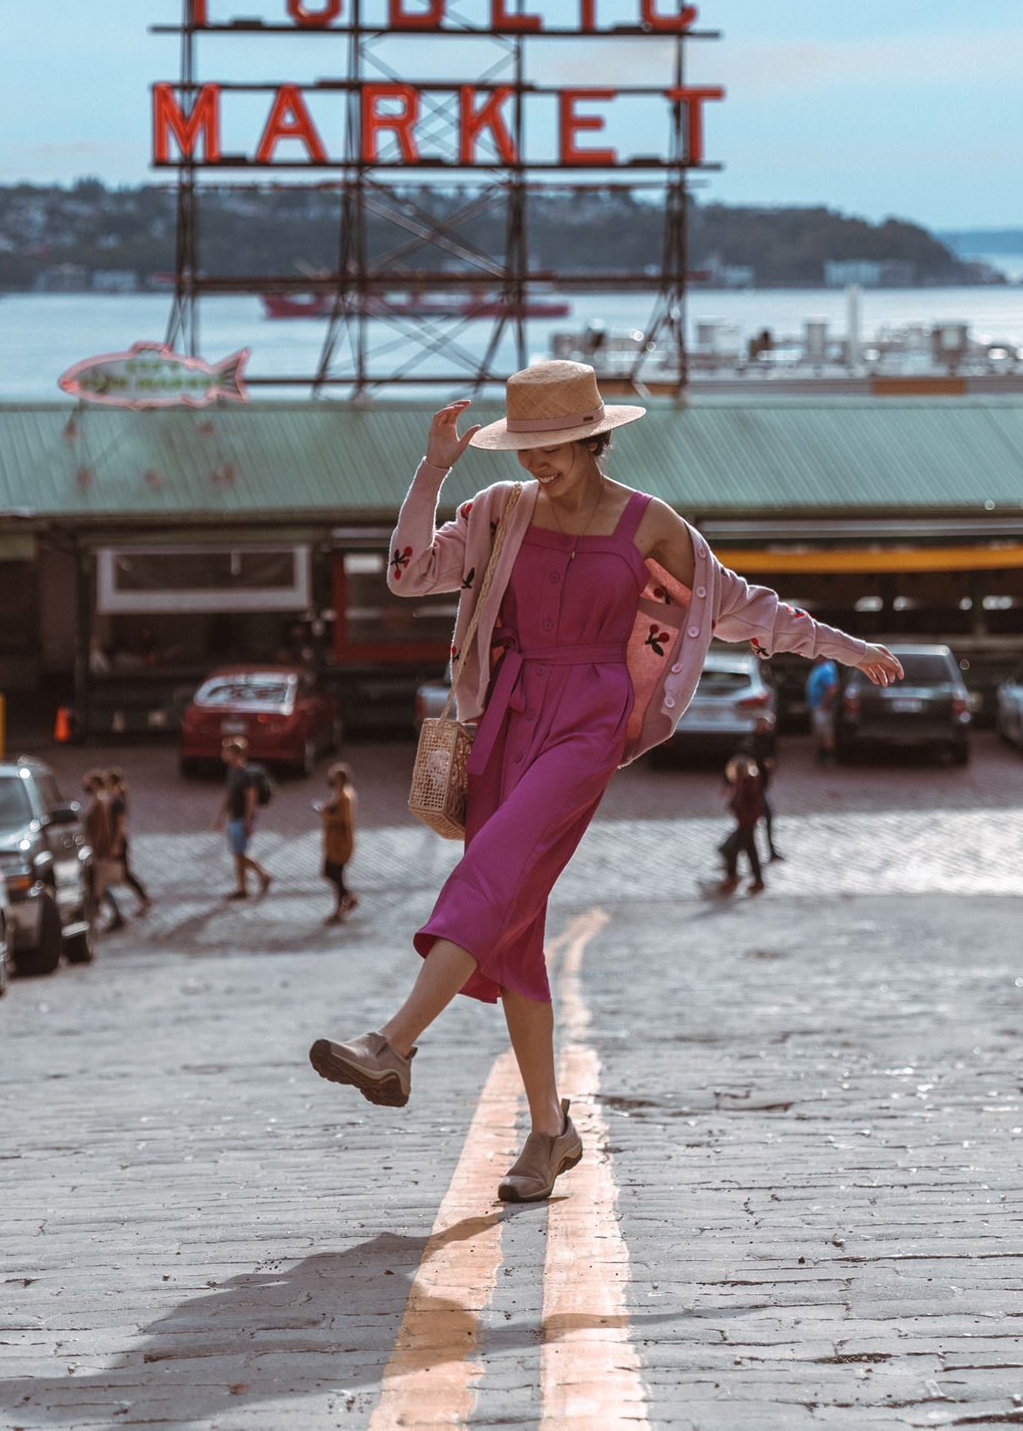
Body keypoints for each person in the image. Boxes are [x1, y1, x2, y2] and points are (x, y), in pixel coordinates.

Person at [309, 359, 901, 1203]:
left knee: (494, 868)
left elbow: (745, 609)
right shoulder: (500, 511)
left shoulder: (653, 526)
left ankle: (395, 1042)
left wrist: (849, 648)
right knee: (512, 927)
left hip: (589, 718)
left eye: (551, 445)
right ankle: (550, 1133)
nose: (535, 462)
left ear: (593, 439)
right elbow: (407, 571)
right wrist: (433, 468)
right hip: (504, 718)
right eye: (523, 446)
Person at [216, 738, 272, 899]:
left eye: (226, 751)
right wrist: (221, 815)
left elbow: (251, 799)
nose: (223, 754)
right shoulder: (232, 771)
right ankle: (243, 887)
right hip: (234, 817)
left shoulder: (246, 775)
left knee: (240, 853)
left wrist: (248, 821)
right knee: (238, 853)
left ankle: (262, 876)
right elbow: (228, 793)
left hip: (242, 819)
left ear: (235, 753)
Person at [717, 746, 767, 894]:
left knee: (729, 849)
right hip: (746, 821)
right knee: (751, 850)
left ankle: (732, 879)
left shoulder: (748, 779)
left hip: (746, 822)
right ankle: (757, 880)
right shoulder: (745, 778)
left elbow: (749, 802)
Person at [315, 762, 359, 923]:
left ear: (340, 779)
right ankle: (348, 898)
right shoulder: (338, 792)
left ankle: (341, 908)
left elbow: (342, 820)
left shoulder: (346, 796)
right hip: (333, 842)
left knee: (334, 874)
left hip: (341, 843)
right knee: (331, 873)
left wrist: (324, 812)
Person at [82, 770, 125, 931]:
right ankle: (111, 914)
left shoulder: (100, 802)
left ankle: (114, 915)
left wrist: (102, 848)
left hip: (99, 850)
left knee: (100, 885)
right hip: (95, 849)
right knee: (101, 885)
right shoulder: (96, 801)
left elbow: (103, 829)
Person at [104, 769, 152, 911]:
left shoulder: (118, 801)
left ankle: (144, 898)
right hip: (113, 840)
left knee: (124, 873)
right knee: (117, 873)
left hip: (118, 841)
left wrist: (117, 843)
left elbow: (120, 824)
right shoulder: (112, 797)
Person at [805, 657, 838, 765]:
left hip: (822, 707)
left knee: (826, 732)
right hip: (816, 705)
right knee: (820, 731)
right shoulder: (819, 667)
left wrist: (824, 704)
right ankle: (822, 753)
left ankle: (828, 755)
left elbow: (832, 688)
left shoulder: (827, 668)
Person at [759, 749, 784, 863]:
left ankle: (727, 847)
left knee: (749, 824)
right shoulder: (750, 743)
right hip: (756, 790)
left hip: (760, 789)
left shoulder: (764, 739)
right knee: (748, 825)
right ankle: (727, 847)